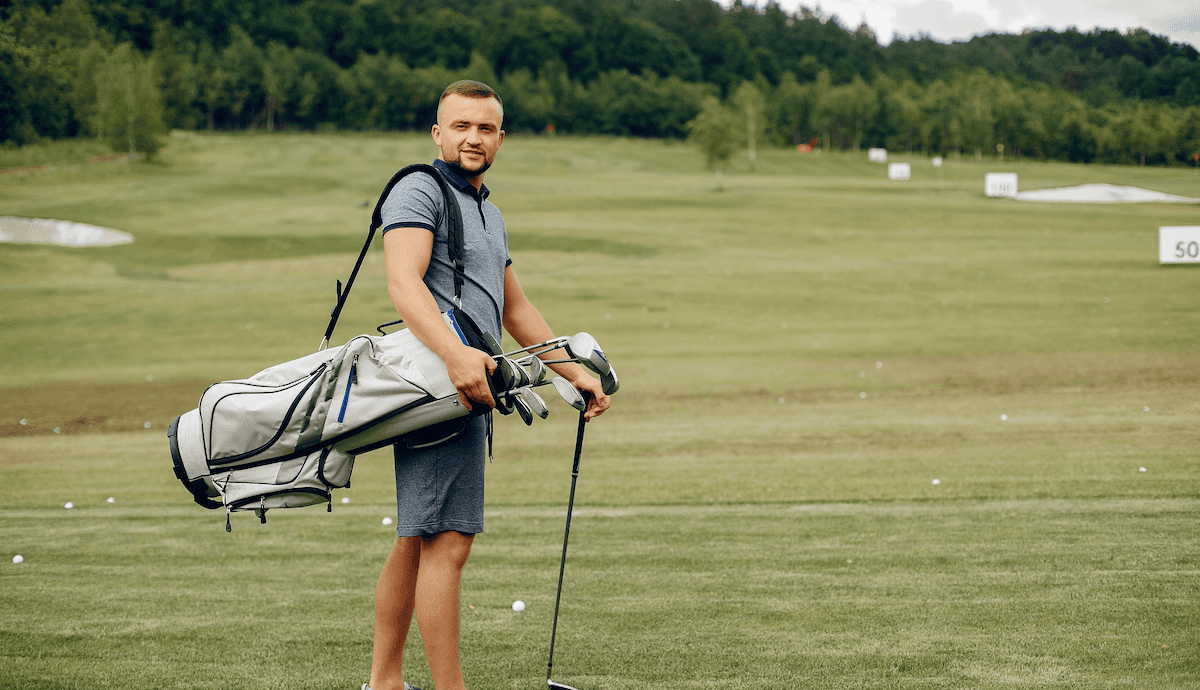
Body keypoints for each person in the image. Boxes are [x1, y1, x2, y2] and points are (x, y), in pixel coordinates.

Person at [364, 80, 610, 690]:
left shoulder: (486, 211)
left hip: (464, 391)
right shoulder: (418, 190)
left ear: (501, 137)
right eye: (461, 126)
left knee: (417, 538)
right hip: (435, 389)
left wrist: (573, 372)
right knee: (447, 540)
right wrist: (455, 356)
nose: (473, 138)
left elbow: (514, 308)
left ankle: (384, 682)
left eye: (486, 128)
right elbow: (403, 283)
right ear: (437, 133)